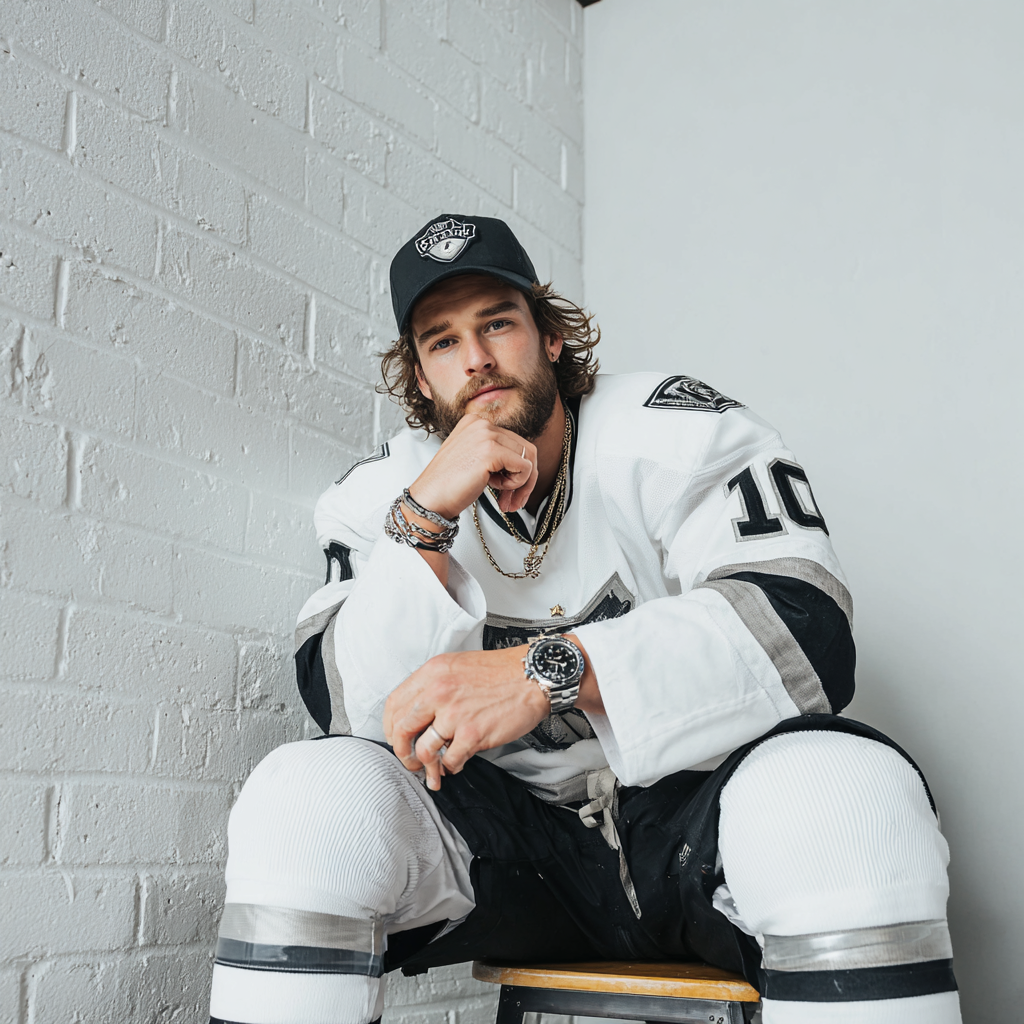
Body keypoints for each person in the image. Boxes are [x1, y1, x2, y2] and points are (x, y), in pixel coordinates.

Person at [207, 215, 961, 1024]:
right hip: (515, 849)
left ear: (551, 337)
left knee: (844, 793)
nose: (478, 360)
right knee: (305, 796)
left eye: (497, 323)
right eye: (442, 341)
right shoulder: (379, 494)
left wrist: (545, 671)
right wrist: (425, 516)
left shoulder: (674, 428)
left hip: (690, 825)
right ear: (421, 379)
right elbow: (349, 710)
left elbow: (807, 636)